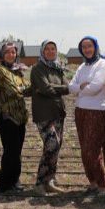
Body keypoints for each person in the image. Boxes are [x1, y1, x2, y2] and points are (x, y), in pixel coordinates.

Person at [68, 36, 105, 197]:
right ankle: (92, 182)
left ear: (95, 47)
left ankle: (102, 186)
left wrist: (80, 88)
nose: (87, 49)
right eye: (84, 47)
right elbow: (71, 87)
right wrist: (81, 87)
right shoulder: (82, 67)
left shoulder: (103, 64)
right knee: (84, 149)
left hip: (97, 111)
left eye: (90, 46)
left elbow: (95, 88)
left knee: (92, 150)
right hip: (80, 110)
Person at [31, 40, 70, 195]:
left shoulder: (58, 68)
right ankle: (40, 182)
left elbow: (66, 87)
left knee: (57, 146)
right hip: (43, 113)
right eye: (47, 49)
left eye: (53, 49)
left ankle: (49, 181)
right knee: (51, 145)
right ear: (42, 51)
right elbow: (46, 88)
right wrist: (58, 89)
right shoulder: (37, 69)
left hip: (58, 112)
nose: (50, 51)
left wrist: (56, 89)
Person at [0, 42, 32, 193]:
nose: (11, 55)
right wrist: (23, 88)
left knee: (17, 151)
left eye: (13, 52)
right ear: (2, 55)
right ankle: (4, 184)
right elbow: (14, 90)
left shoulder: (17, 71)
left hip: (20, 116)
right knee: (10, 151)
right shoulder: (0, 70)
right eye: (7, 52)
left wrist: (24, 88)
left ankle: (15, 180)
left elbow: (28, 87)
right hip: (7, 116)